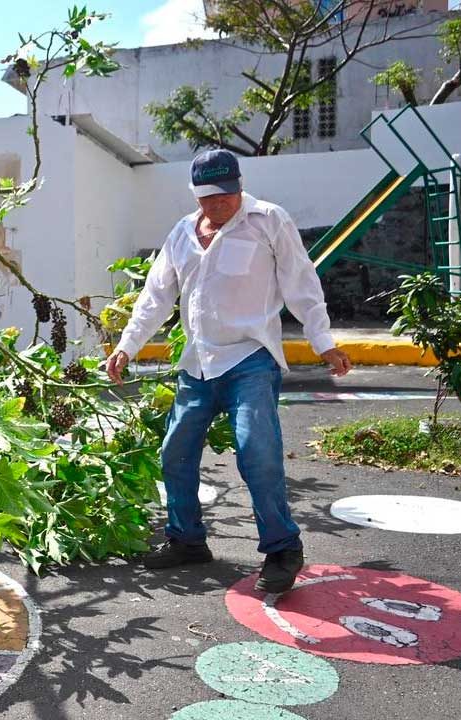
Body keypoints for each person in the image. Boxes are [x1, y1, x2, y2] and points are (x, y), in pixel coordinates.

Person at [105, 149, 352, 594]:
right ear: (195, 194)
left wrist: (324, 341)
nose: (218, 203)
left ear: (240, 185)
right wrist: (127, 345)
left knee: (256, 450)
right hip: (198, 363)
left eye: (226, 193)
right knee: (175, 452)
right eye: (208, 196)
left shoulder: (269, 221)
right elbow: (156, 295)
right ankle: (186, 539)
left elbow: (301, 283)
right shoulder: (182, 232)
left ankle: (283, 548)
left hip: (250, 359)